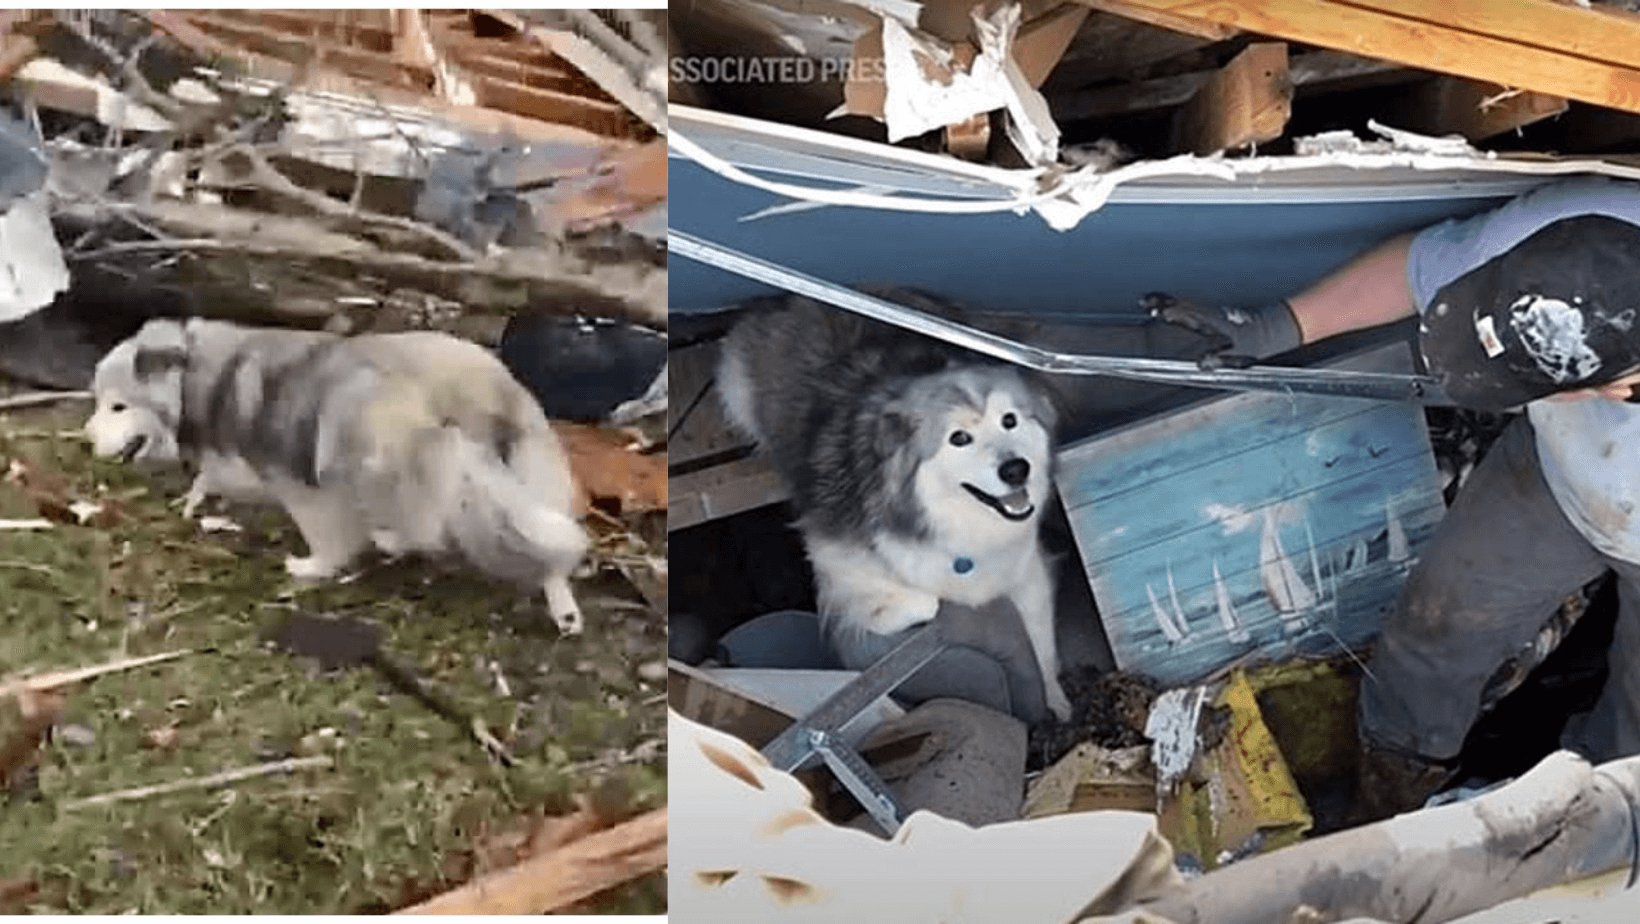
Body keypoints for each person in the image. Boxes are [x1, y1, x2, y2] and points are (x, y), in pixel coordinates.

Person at [1156, 175, 1640, 820]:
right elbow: (1417, 266)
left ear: (1617, 386)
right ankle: (1385, 803)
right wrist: (1278, 327)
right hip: (1558, 481)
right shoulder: (1583, 229)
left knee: (1635, 737)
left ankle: (1589, 834)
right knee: (1431, 636)